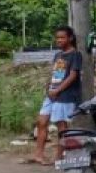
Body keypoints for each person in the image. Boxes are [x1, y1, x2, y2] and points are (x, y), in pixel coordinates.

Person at [30, 25, 83, 165]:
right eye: (57, 37)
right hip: (52, 94)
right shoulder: (58, 55)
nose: (58, 40)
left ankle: (58, 157)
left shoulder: (75, 55)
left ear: (70, 38)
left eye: (62, 37)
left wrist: (58, 90)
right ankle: (38, 154)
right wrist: (49, 88)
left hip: (65, 95)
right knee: (41, 122)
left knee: (62, 126)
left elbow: (73, 76)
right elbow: (56, 74)